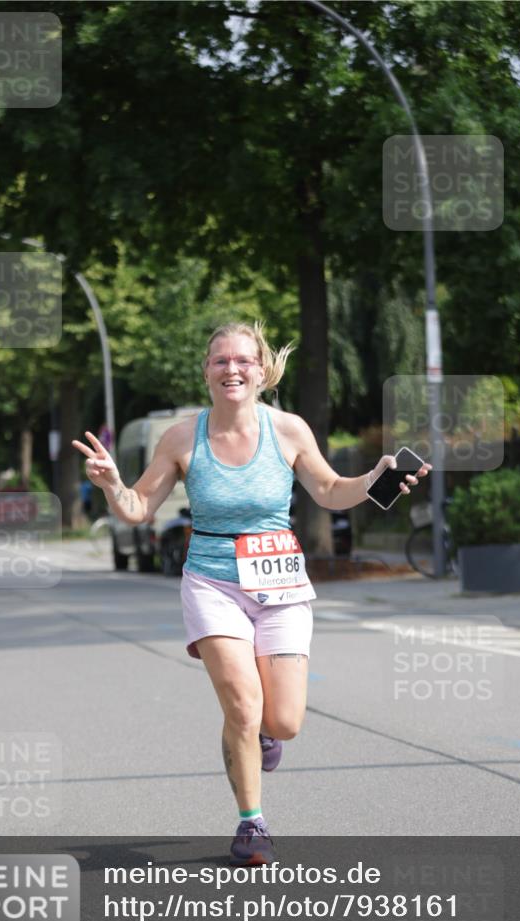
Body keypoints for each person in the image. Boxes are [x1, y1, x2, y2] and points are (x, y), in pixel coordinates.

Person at [72, 321, 431, 865]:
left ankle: (264, 734)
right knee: (242, 704)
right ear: (207, 372)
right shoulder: (180, 438)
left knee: (282, 719)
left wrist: (377, 477)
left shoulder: (287, 430)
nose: (232, 369)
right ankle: (251, 823)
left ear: (261, 370)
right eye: (221, 361)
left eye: (243, 360)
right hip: (213, 583)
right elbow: (137, 508)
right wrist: (110, 484)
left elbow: (331, 490)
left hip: (282, 584)